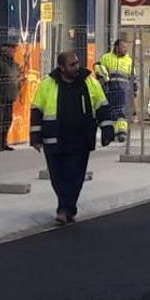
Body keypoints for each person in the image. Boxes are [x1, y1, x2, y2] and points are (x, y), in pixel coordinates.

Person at [30, 51, 114, 225]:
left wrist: (107, 130)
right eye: (72, 65)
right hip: (54, 139)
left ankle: (64, 209)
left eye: (77, 63)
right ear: (61, 67)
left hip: (80, 139)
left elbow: (101, 105)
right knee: (57, 177)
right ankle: (67, 207)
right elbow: (36, 110)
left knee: (74, 175)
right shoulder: (47, 84)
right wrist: (35, 137)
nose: (77, 67)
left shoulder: (89, 81)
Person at [95, 40, 134, 142]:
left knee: (122, 112)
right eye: (123, 47)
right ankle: (113, 133)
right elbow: (100, 71)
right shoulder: (106, 58)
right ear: (116, 47)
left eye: (126, 47)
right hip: (110, 90)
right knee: (112, 113)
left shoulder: (129, 60)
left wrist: (134, 90)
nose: (125, 49)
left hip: (123, 91)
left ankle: (122, 132)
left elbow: (133, 77)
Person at [0, 40, 22, 151]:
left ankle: (3, 142)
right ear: (5, 49)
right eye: (12, 49)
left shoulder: (13, 63)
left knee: (7, 120)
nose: (14, 51)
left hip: (9, 96)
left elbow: (16, 76)